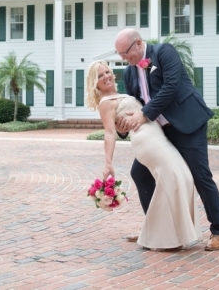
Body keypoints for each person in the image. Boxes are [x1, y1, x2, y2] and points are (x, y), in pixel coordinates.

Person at [112, 28, 219, 251]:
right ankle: (156, 231)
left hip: (187, 123)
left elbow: (171, 87)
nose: (124, 59)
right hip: (160, 132)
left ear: (138, 43)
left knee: (199, 174)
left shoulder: (164, 52)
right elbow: (134, 106)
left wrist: (145, 113)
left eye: (125, 53)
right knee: (140, 173)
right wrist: (122, 126)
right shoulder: (128, 73)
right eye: (120, 56)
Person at [86, 60, 202, 250]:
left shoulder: (122, 94)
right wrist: (108, 163)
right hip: (147, 142)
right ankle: (166, 239)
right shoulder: (106, 103)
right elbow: (109, 132)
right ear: (95, 83)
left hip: (158, 136)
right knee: (171, 179)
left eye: (107, 72)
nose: (105, 76)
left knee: (185, 178)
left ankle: (167, 232)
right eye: (99, 76)